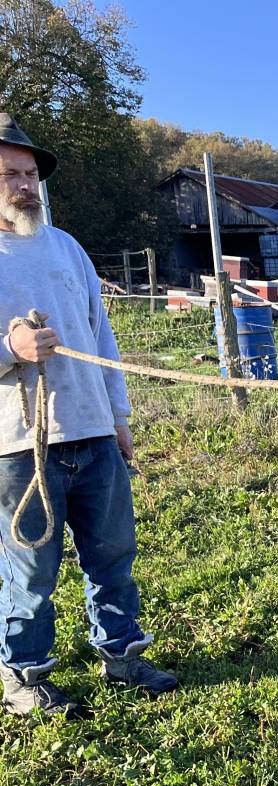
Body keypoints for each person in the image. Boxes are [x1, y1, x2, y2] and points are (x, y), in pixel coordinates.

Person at [0, 113, 176, 717]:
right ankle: (24, 676)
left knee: (113, 556)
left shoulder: (66, 247)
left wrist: (118, 417)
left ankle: (122, 655)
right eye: (10, 175)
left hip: (93, 431)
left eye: (30, 175)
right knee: (30, 570)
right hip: (18, 446)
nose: (25, 186)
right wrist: (11, 349)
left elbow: (102, 338)